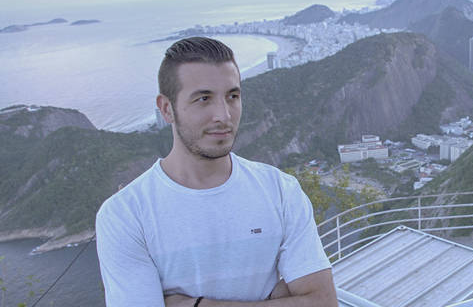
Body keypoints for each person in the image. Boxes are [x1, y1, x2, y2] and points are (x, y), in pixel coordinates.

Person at [96, 37, 338, 307]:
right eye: (203, 99)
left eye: (232, 96)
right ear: (166, 108)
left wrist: (200, 305)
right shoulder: (126, 214)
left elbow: (324, 302)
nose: (223, 115)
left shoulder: (280, 190)